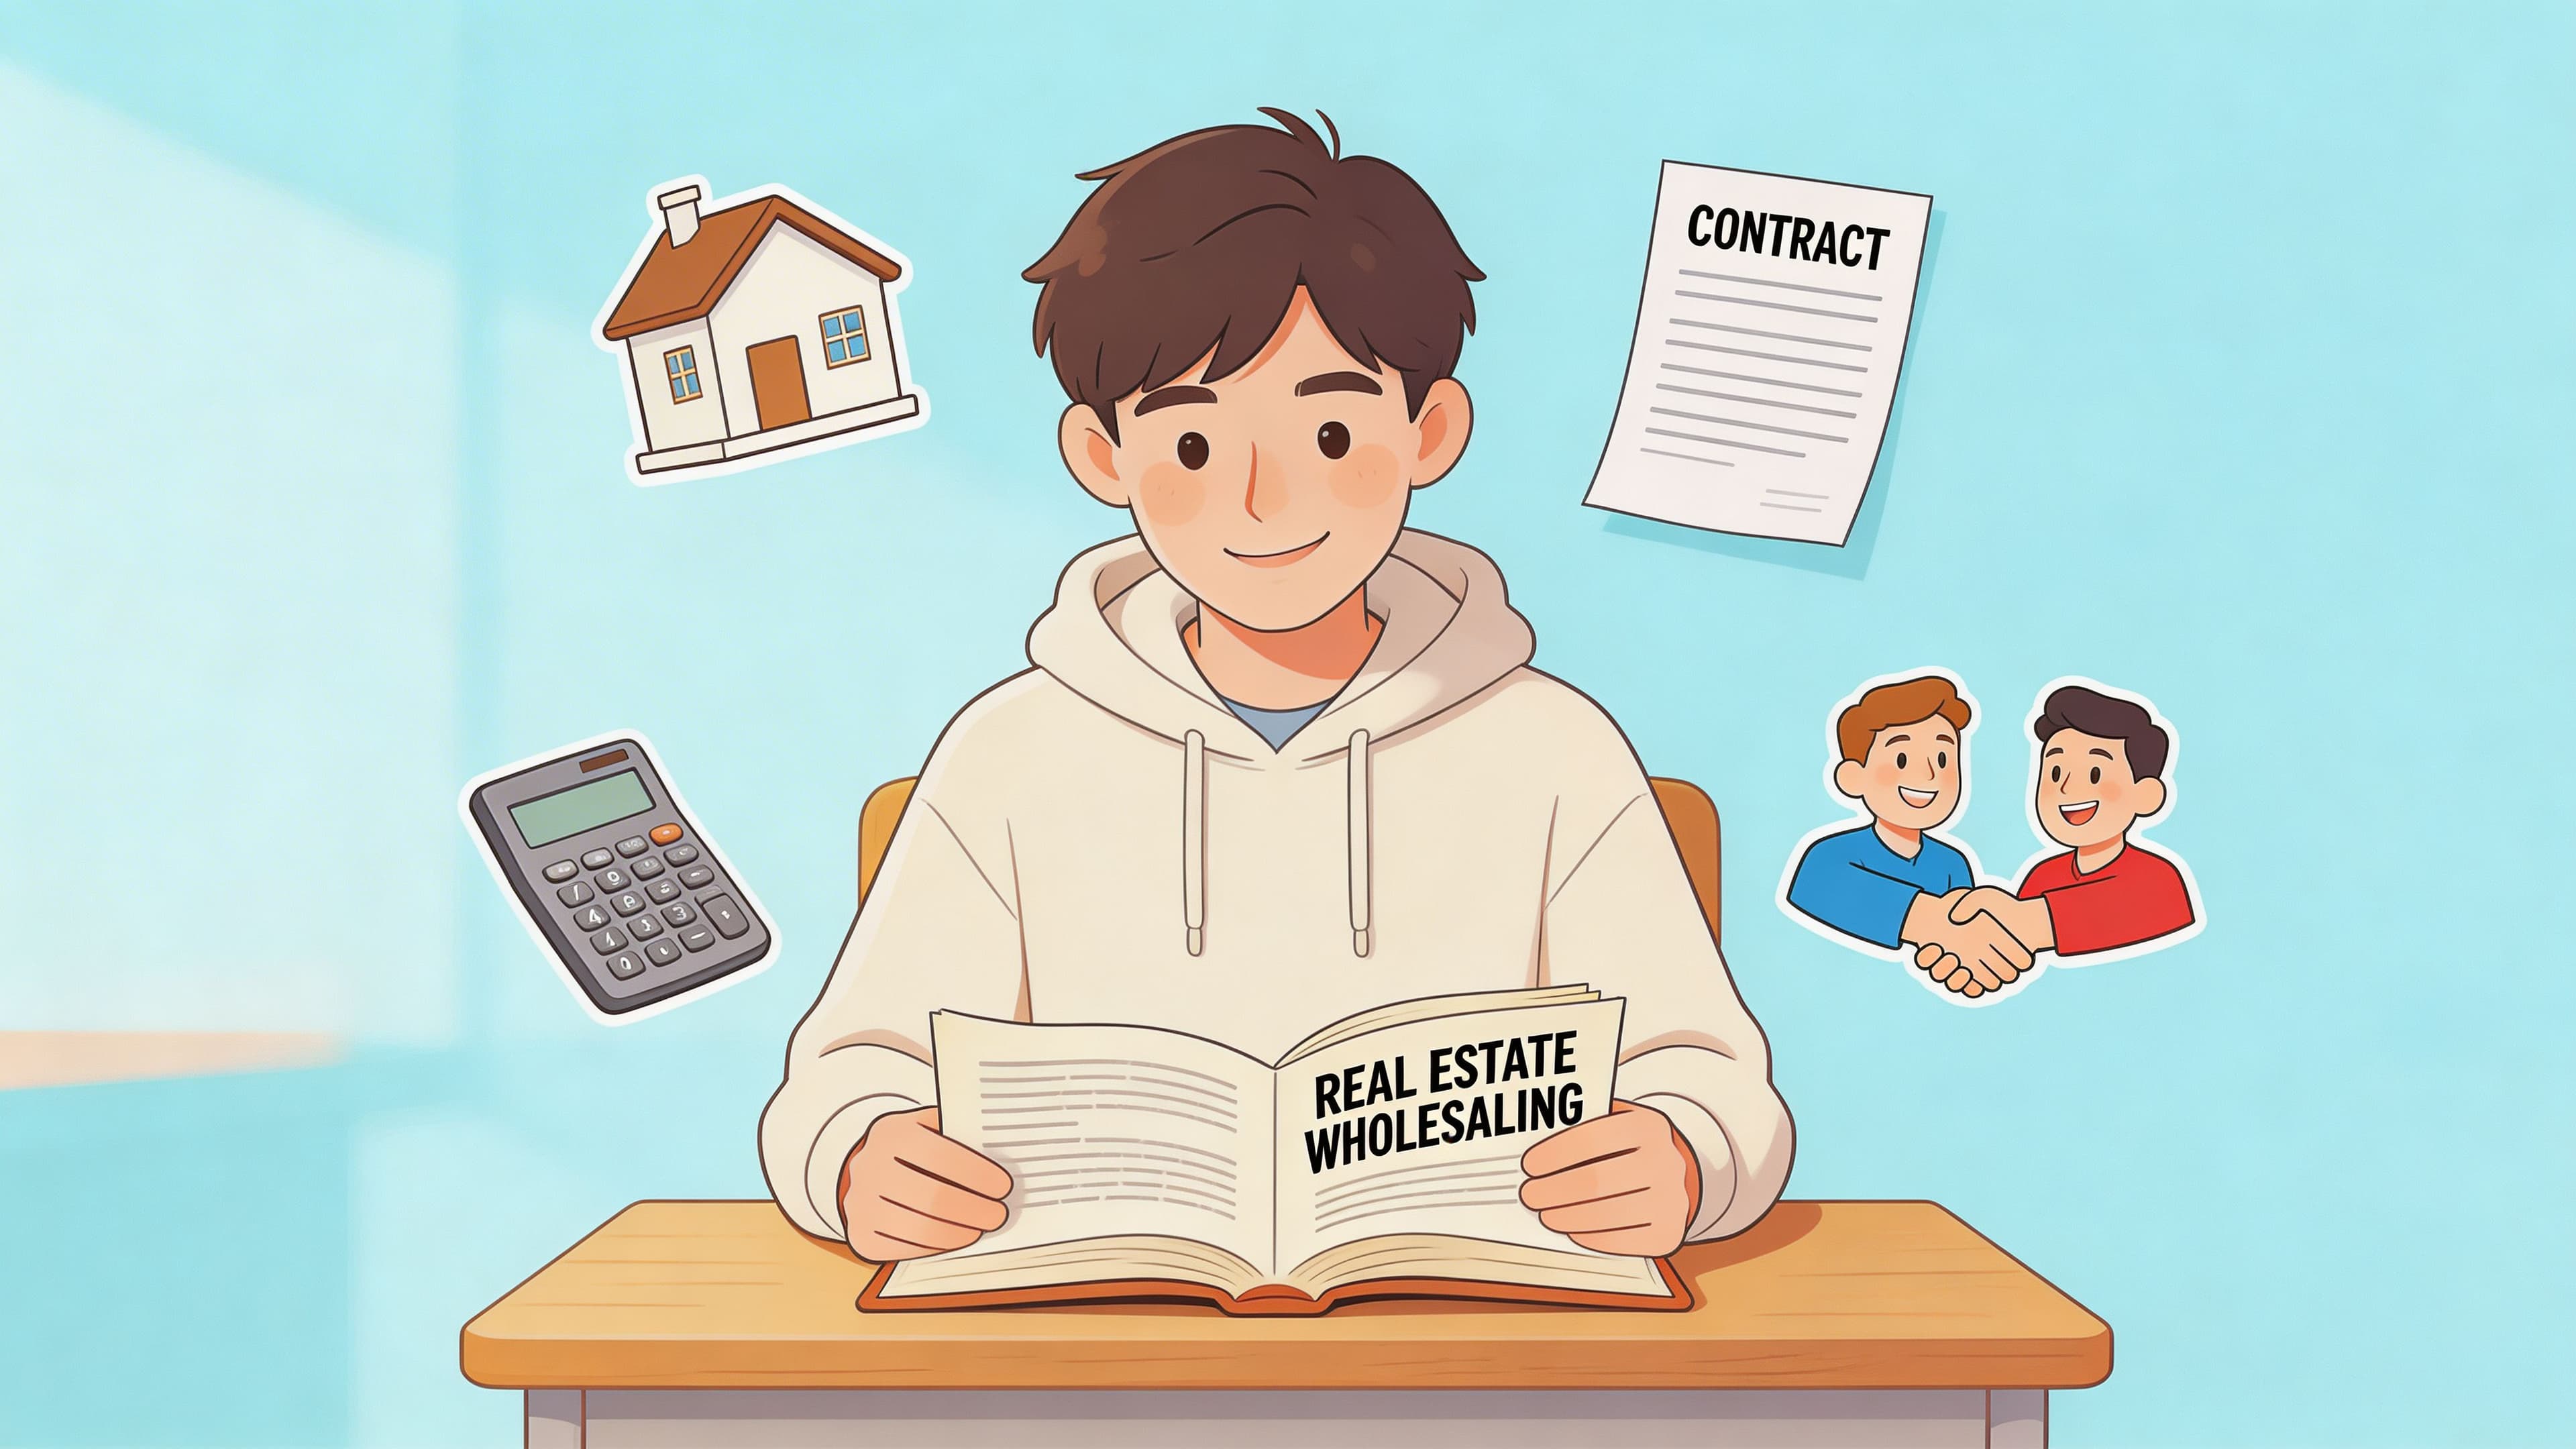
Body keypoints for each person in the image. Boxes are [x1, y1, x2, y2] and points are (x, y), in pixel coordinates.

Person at [759, 110, 1792, 1267]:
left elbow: (1710, 1077)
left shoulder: (1555, 750)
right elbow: (849, 1074)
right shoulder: (1009, 755)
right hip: (1088, 1351)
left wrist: (1686, 1155)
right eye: (1194, 448)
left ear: (1431, 431)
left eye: (1335, 435)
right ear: (1103, 459)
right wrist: (859, 1155)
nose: (1265, 503)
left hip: (1479, 1345)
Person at [1916, 682, 2197, 973]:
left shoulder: (2160, 880)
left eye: (2095, 773)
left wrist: (2014, 919)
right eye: (2055, 772)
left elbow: (2035, 925)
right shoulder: (2042, 878)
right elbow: (2012, 948)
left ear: (2146, 795)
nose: (2067, 788)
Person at [1781, 675, 2031, 996]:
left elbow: (1965, 941)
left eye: (1943, 759)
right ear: (1853, 777)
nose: (1928, 775)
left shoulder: (1952, 863)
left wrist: (1968, 950)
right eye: (1902, 759)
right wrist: (1937, 927)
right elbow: (1825, 889)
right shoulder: (1827, 857)